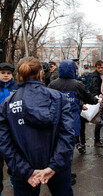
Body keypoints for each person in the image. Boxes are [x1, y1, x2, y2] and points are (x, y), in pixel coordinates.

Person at [0, 57, 75, 195]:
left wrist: (25, 170)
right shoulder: (58, 98)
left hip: (24, 168)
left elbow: (4, 142)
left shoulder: (7, 104)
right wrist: (54, 166)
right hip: (56, 167)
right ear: (41, 73)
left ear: (18, 75)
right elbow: (68, 134)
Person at [48, 60, 98, 184]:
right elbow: (90, 99)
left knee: (56, 148)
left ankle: (56, 173)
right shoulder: (77, 85)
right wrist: (96, 100)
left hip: (55, 121)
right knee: (68, 149)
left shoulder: (52, 84)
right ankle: (66, 176)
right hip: (71, 121)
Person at [0, 62, 18, 196]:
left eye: (8, 73)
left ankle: (13, 175)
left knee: (12, 156)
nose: (6, 75)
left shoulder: (17, 88)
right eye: (2, 73)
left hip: (13, 128)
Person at [89, 60, 103, 146]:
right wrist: (98, 97)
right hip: (100, 100)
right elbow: (94, 89)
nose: (101, 69)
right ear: (96, 68)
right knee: (101, 121)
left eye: (102, 67)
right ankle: (98, 139)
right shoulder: (95, 77)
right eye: (99, 68)